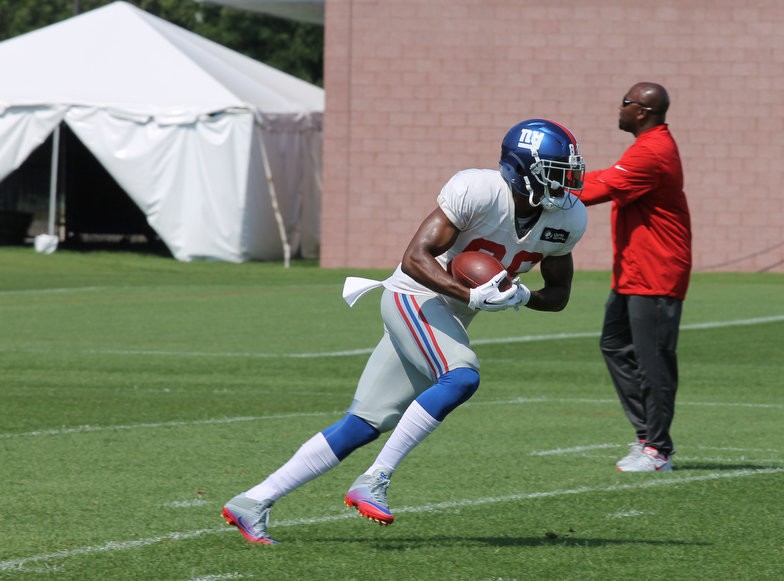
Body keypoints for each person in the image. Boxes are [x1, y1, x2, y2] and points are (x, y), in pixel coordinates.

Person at [221, 118, 588, 544]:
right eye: (556, 171)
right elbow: (416, 257)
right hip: (412, 295)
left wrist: (520, 297)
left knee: (364, 422)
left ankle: (252, 502)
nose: (566, 183)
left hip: (446, 316)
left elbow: (559, 293)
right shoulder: (479, 191)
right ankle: (375, 478)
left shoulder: (567, 220)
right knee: (462, 374)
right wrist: (469, 297)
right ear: (525, 169)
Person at [580, 82, 692, 473]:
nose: (619, 108)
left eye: (624, 103)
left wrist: (550, 184)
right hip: (634, 273)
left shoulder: (654, 150)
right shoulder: (644, 147)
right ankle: (647, 436)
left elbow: (600, 187)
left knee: (654, 362)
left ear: (641, 111)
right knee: (614, 345)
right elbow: (608, 176)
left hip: (657, 274)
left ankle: (658, 451)